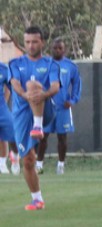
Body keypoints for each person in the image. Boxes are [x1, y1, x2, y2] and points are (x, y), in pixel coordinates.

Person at [8, 26, 60, 210]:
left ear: (42, 42)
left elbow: (55, 87)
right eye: (27, 42)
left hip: (44, 109)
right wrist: (26, 96)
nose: (30, 45)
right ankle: (37, 199)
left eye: (34, 41)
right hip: (22, 114)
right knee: (28, 160)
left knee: (32, 84)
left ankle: (38, 126)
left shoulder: (51, 64)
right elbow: (14, 83)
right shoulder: (15, 63)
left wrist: (41, 95)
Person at [36, 38, 82, 175]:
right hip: (46, 106)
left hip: (63, 107)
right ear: (51, 49)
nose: (57, 50)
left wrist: (72, 100)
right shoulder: (44, 64)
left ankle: (61, 165)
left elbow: (77, 85)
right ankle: (39, 165)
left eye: (60, 48)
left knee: (62, 137)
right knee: (42, 137)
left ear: (64, 49)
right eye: (55, 48)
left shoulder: (71, 66)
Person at [0, 64, 20, 175]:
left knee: (13, 133)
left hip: (2, 108)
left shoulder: (4, 69)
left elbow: (12, 88)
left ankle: (15, 158)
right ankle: (2, 163)